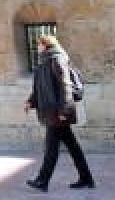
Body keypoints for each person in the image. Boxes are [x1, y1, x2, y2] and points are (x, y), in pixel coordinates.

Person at [24, 34, 94, 192]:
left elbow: (65, 86)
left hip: (57, 113)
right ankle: (86, 178)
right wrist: (30, 101)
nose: (37, 47)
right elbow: (40, 88)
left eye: (39, 44)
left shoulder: (57, 59)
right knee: (72, 147)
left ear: (46, 45)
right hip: (52, 112)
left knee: (51, 148)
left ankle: (42, 180)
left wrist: (65, 110)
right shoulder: (44, 62)